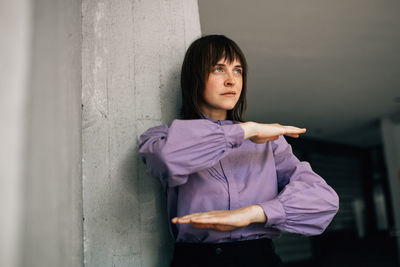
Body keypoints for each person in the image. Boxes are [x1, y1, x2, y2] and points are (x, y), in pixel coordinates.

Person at [138, 34, 339, 267]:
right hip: (196, 260)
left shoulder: (271, 143)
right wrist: (245, 131)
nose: (231, 80)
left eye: (238, 70)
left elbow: (324, 200)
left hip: (259, 258)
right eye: (218, 69)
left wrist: (253, 213)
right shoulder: (163, 137)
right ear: (195, 76)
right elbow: (165, 159)